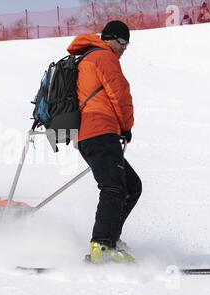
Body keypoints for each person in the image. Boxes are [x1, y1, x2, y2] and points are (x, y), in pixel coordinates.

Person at [67, 21, 142, 263]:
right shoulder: (104, 57)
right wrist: (126, 126)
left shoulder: (89, 57)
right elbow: (119, 94)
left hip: (92, 134)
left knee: (131, 186)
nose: (123, 50)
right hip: (99, 130)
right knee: (113, 187)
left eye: (126, 46)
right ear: (110, 39)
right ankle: (102, 244)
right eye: (122, 44)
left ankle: (111, 238)